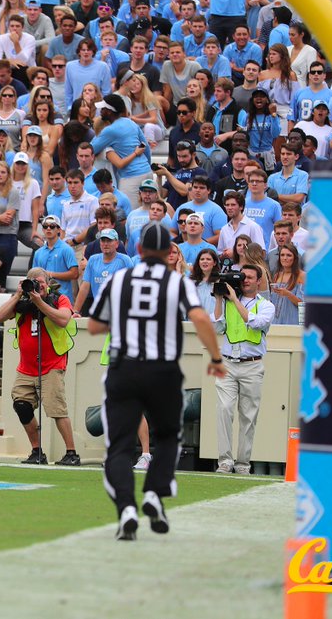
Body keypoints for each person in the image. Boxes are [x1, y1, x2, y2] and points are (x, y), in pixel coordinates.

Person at [88, 221, 226, 541]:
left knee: (120, 446)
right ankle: (154, 493)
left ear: (137, 250)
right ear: (168, 253)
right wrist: (216, 359)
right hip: (163, 369)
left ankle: (126, 508)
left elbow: (94, 325)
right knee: (167, 437)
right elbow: (202, 318)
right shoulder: (176, 282)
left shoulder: (119, 278)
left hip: (124, 369)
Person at [0, 267, 80, 466]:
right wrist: (17, 295)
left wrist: (39, 302)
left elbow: (63, 319)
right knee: (21, 405)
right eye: (32, 282)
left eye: (40, 282)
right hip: (26, 367)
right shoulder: (21, 301)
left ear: (48, 283)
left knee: (56, 409)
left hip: (52, 365)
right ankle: (37, 450)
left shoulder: (60, 299)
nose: (37, 286)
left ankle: (71, 453)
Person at [212, 262, 275, 475]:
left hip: (252, 365)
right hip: (228, 363)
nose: (244, 280)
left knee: (248, 417)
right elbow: (217, 326)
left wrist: (233, 299)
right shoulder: (230, 301)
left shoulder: (266, 305)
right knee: (224, 411)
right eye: (242, 276)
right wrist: (220, 298)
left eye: (248, 277)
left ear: (259, 281)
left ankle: (242, 464)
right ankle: (224, 461)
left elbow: (253, 322)